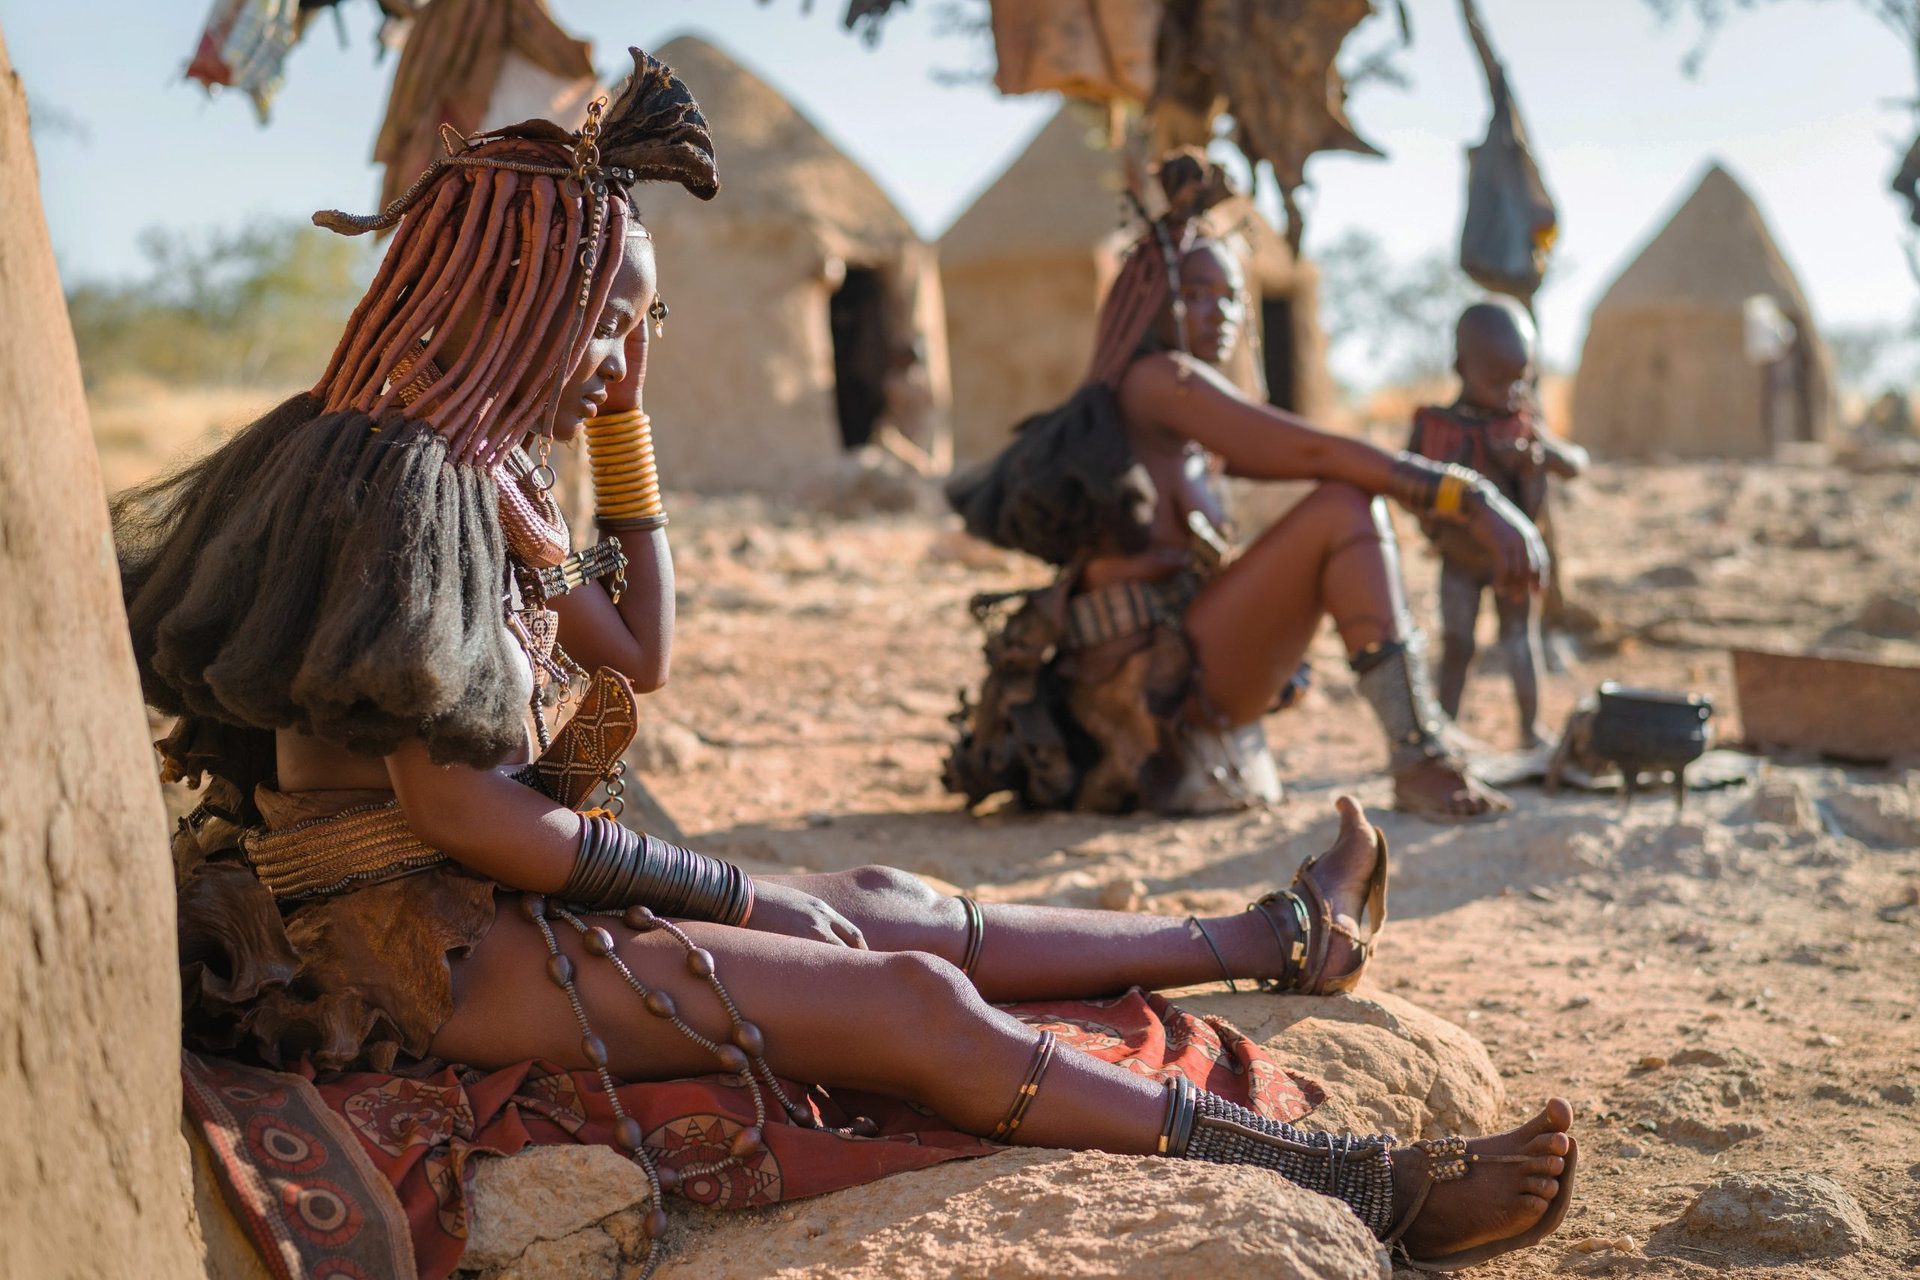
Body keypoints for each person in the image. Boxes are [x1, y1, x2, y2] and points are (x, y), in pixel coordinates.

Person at [117, 55, 1573, 1278]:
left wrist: (622, 434)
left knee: (879, 901)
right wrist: (736, 895)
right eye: (610, 326)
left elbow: (643, 651)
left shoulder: (479, 474)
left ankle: (1260, 941)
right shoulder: (401, 484)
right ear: (519, 301)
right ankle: (1365, 1180)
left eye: (640, 330)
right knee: (903, 1002)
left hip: (488, 893)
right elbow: (461, 818)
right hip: (408, 950)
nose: (622, 361)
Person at [946, 153, 1549, 822]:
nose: (1218, 311)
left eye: (1231, 295)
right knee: (1342, 508)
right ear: (1147, 296)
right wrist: (1470, 495)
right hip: (1138, 694)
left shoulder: (1185, 425)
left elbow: (1301, 455)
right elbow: (1315, 449)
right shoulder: (1159, 382)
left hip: (1178, 670)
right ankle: (1421, 759)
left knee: (1342, 500)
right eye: (1196, 293)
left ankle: (1425, 746)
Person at [1408, 301, 1588, 748]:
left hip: (1514, 562)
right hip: (1459, 561)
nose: (1510, 392)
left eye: (1519, 381)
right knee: (1457, 644)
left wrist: (1544, 459)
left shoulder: (1523, 424)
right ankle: (1443, 730)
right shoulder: (1436, 427)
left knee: (1518, 642)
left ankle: (1530, 730)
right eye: (1496, 381)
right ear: (1459, 366)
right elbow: (1405, 480)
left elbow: (1577, 463)